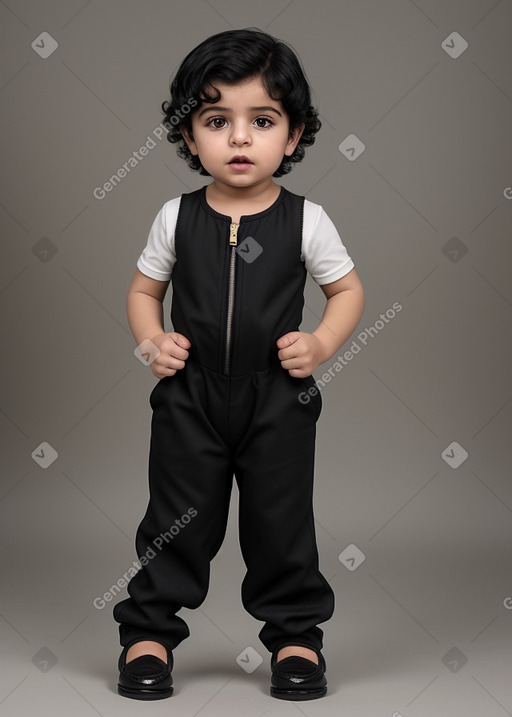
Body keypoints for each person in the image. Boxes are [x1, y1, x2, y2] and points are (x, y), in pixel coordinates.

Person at [113, 27, 365, 701]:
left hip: (277, 399)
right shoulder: (177, 217)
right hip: (191, 398)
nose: (241, 138)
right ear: (189, 136)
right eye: (217, 120)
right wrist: (151, 342)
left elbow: (347, 292)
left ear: (293, 134)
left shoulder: (307, 221)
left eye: (263, 120)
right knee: (177, 516)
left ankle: (294, 636)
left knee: (280, 521)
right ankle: (149, 631)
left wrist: (318, 345)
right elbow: (145, 292)